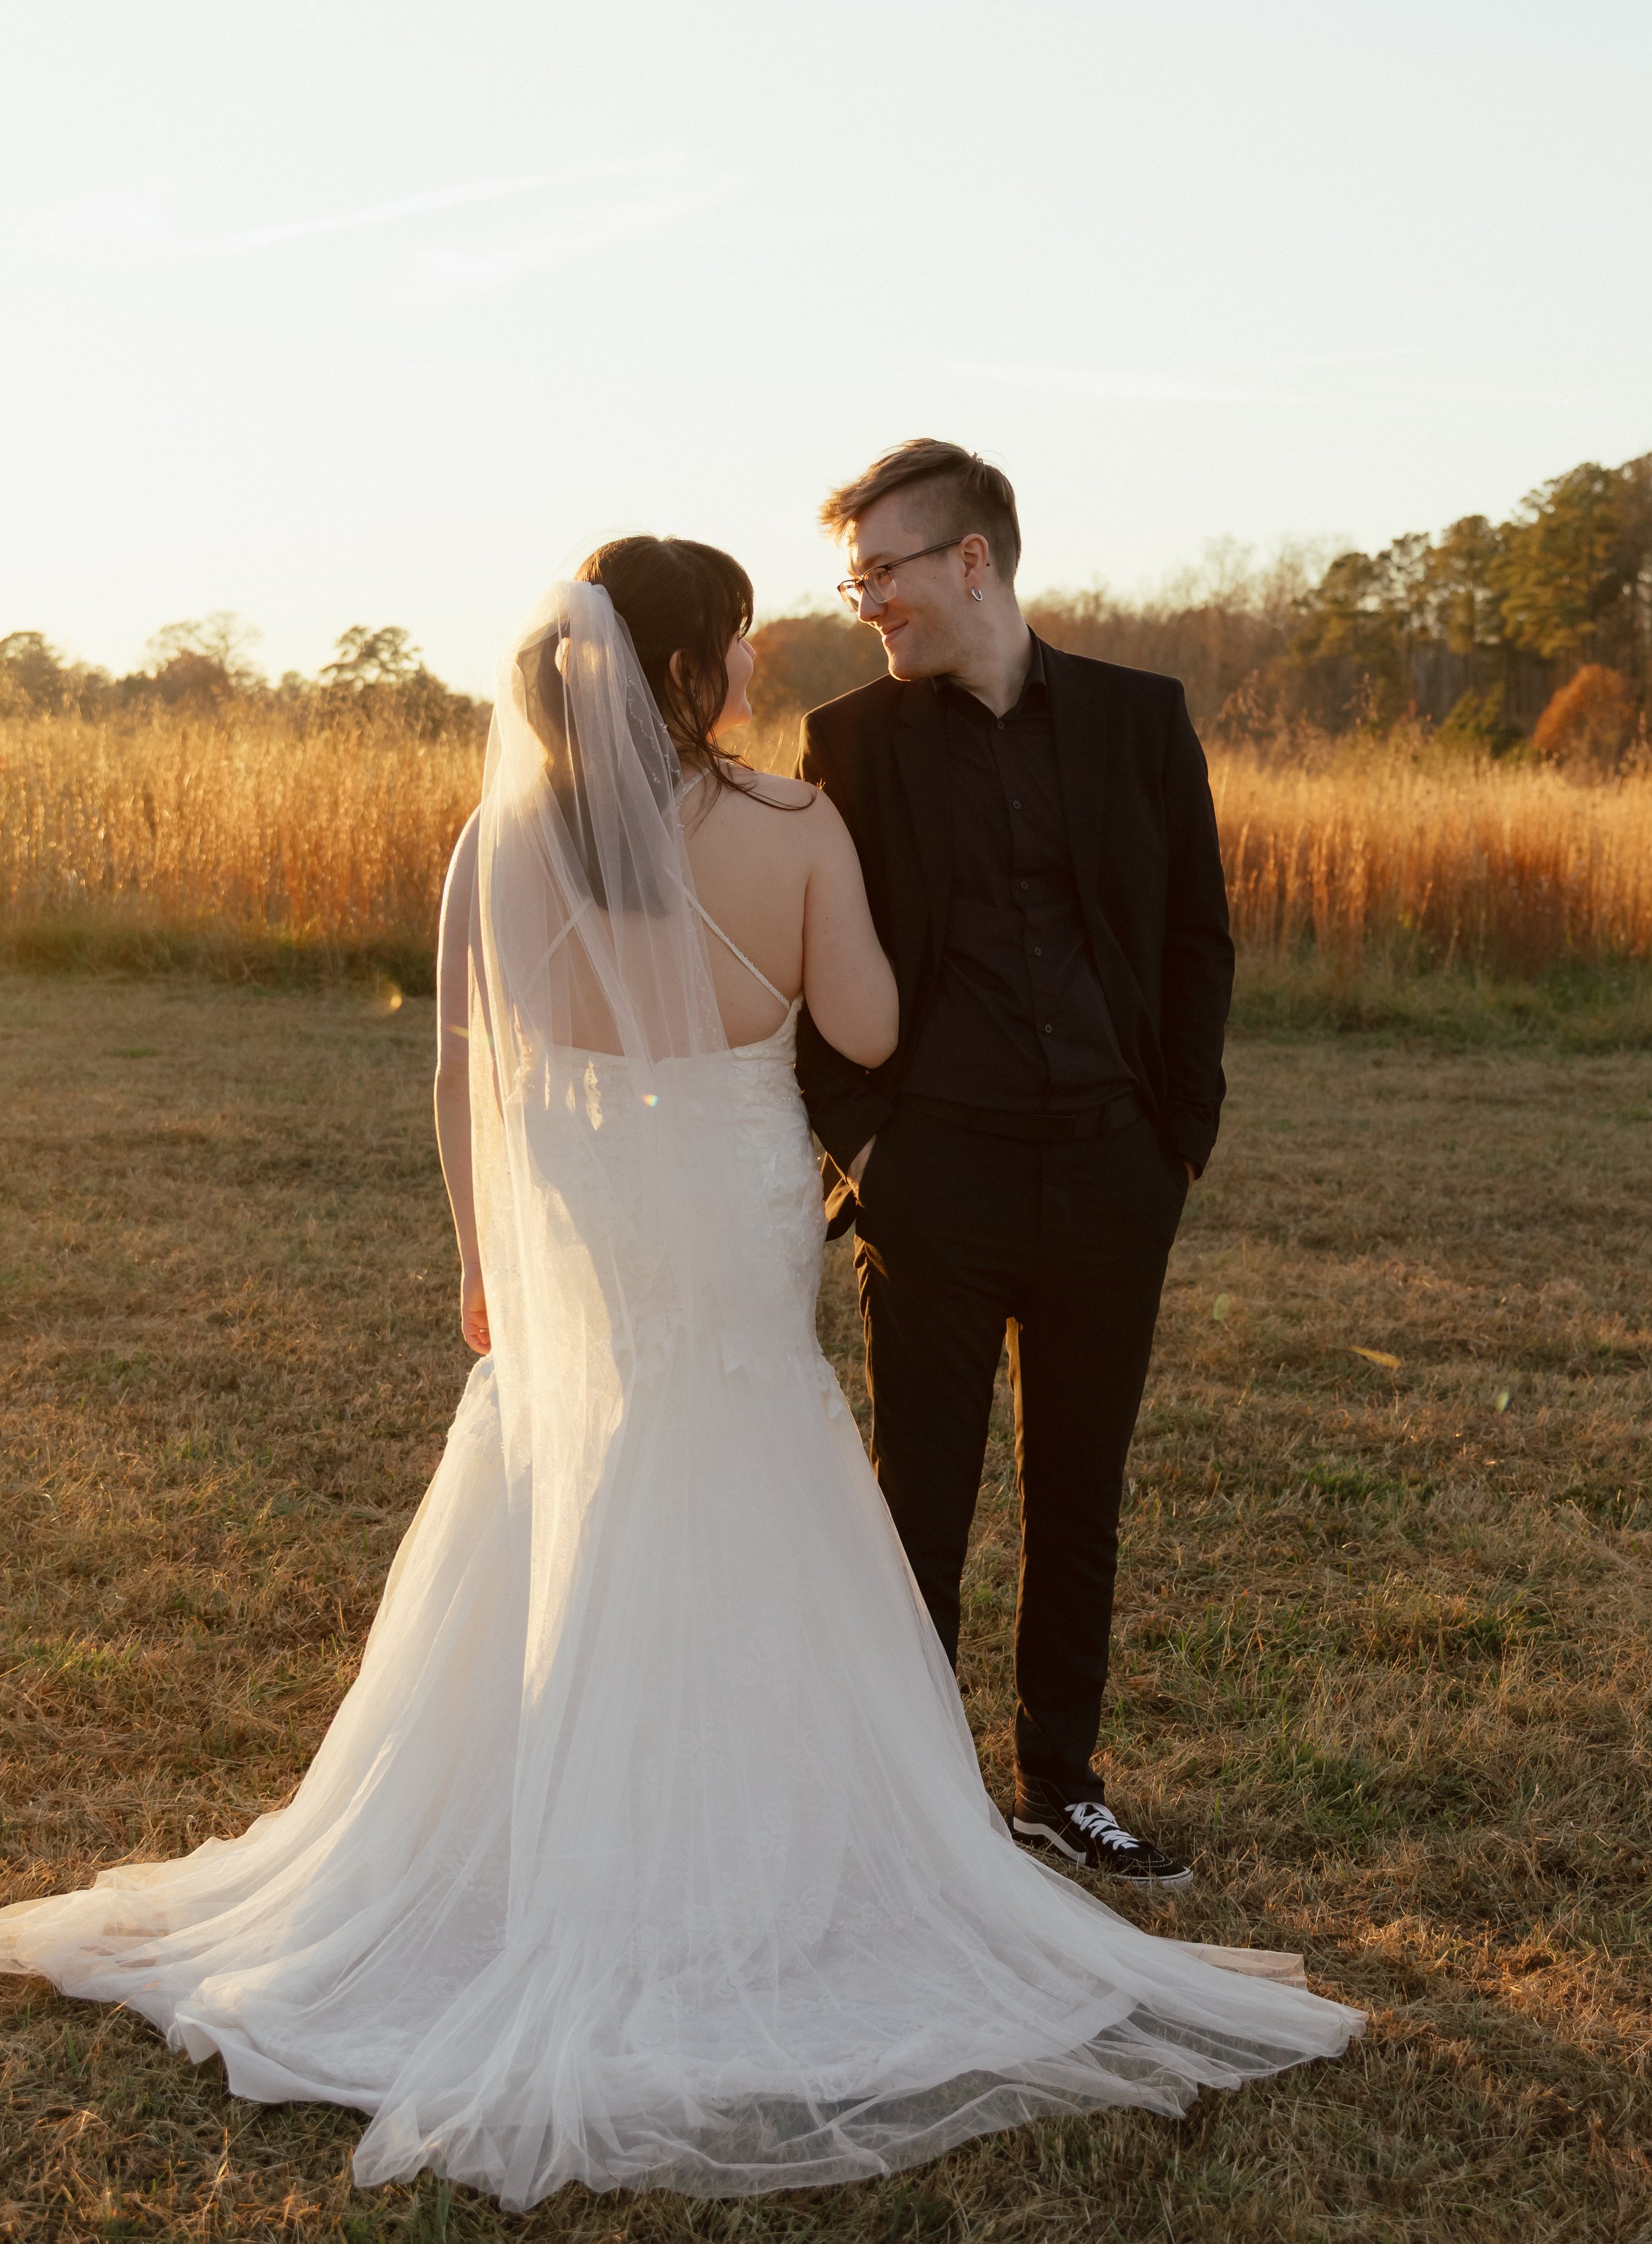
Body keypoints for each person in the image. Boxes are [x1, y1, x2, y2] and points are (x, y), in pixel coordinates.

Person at [0, 538, 1357, 2210]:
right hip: (727, 1207)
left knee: (565, 1483)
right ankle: (754, 1868)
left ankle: (536, 1850)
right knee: (742, 1465)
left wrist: (481, 1257)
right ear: (690, 665)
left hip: (572, 1224)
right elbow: (861, 1030)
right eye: (735, 635)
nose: (756, 653)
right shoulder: (789, 825)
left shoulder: (493, 838)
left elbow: (455, 1072)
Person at [796, 441, 1234, 1886]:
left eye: (882, 571)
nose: (865, 600)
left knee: (1078, 1494)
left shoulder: (1137, 720)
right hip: (935, 1183)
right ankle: (914, 1809)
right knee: (917, 1501)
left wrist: (1176, 1141)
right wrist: (869, 1150)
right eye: (852, 576)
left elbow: (1192, 942)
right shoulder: (848, 743)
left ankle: (1060, 1783)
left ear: (970, 560)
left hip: (1114, 1178)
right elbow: (804, 965)